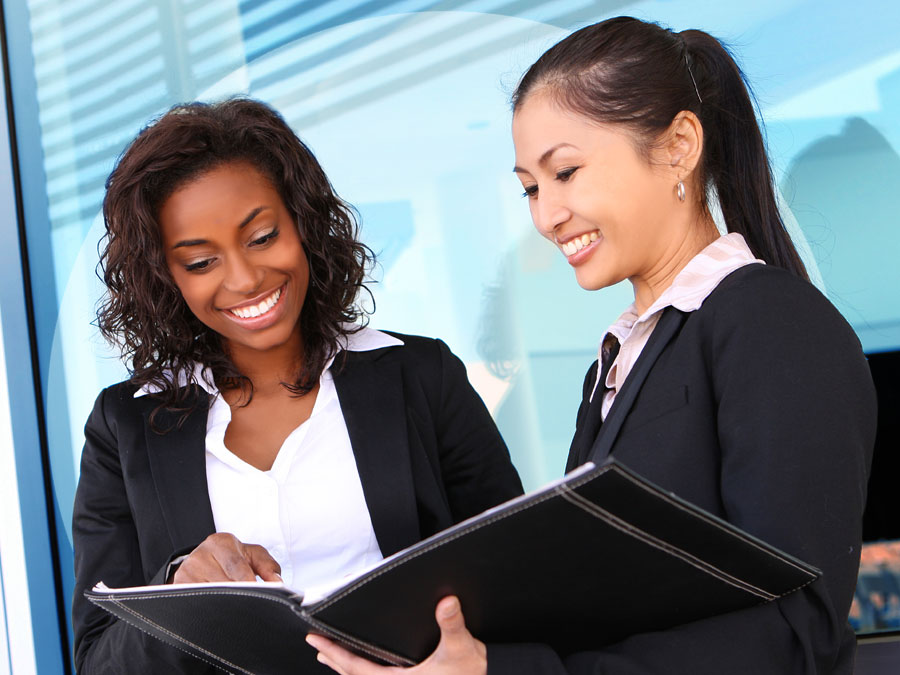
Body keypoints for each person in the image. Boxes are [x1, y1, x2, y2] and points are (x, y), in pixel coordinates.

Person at [308, 16, 877, 675]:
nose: (546, 215)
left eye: (566, 172)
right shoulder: (620, 358)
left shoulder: (771, 323)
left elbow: (794, 631)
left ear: (678, 146)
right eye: (530, 187)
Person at [71, 98, 524, 674]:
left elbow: (519, 581)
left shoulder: (421, 376)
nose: (244, 278)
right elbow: (97, 662)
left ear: (302, 223)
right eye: (201, 262)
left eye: (261, 237)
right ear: (167, 277)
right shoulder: (123, 426)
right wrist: (178, 591)